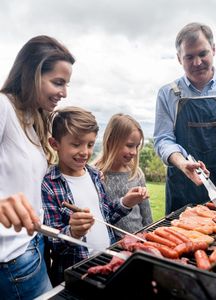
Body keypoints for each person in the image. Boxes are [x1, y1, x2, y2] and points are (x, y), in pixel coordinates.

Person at [0, 35, 75, 299]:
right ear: (32, 73)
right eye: (58, 82)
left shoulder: (33, 117)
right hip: (11, 257)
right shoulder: (3, 106)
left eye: (66, 84)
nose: (64, 92)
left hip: (33, 244)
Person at [42, 106, 149, 286]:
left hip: (106, 260)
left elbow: (106, 216)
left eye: (90, 144)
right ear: (55, 144)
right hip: (77, 271)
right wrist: (73, 232)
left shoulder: (93, 175)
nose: (85, 151)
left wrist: (125, 202)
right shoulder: (49, 185)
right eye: (76, 144)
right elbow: (54, 243)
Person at [153, 22, 216, 215]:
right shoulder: (168, 93)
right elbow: (163, 139)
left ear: (213, 50)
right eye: (189, 56)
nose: (197, 62)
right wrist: (181, 163)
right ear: (179, 58)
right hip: (182, 186)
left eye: (203, 53)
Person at [95, 113, 153, 240]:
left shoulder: (136, 174)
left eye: (137, 146)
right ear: (110, 141)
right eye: (129, 145)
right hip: (112, 244)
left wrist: (149, 236)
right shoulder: (96, 175)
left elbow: (146, 212)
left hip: (138, 239)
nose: (134, 152)